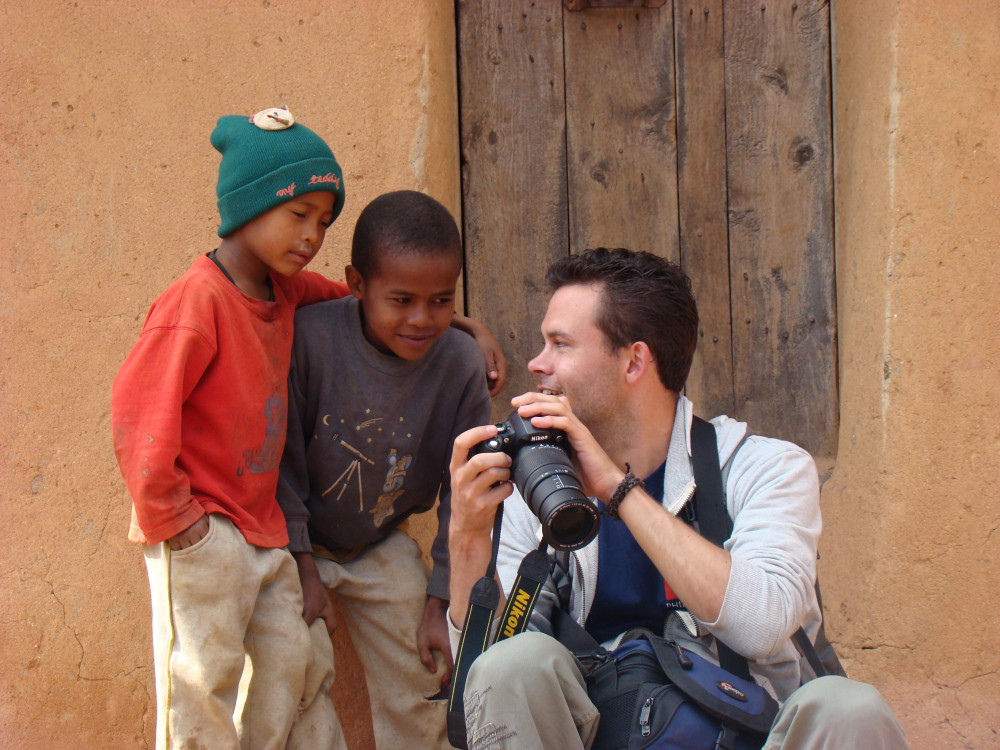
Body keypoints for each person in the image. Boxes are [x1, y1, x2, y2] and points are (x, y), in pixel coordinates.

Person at [111, 108, 504, 750]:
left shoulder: (286, 293)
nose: (313, 234)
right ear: (248, 207)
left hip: (280, 536)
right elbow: (138, 418)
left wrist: (465, 328)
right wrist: (178, 523)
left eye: (324, 220)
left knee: (292, 676)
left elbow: (385, 301)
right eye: (299, 215)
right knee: (204, 684)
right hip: (210, 530)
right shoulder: (199, 303)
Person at [447, 248, 909, 749]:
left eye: (560, 344)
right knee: (512, 664)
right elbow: (492, 688)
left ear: (634, 362)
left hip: (742, 731)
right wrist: (468, 536)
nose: (537, 363)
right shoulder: (538, 488)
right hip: (592, 733)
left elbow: (764, 625)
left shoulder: (765, 468)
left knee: (850, 708)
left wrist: (617, 490)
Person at [277, 190, 492, 749]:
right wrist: (301, 567)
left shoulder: (460, 364)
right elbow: (283, 464)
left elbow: (463, 494)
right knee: (291, 674)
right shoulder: (311, 340)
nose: (422, 319)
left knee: (423, 672)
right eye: (401, 300)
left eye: (441, 301)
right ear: (356, 284)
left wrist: (439, 601)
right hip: (288, 543)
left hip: (378, 543)